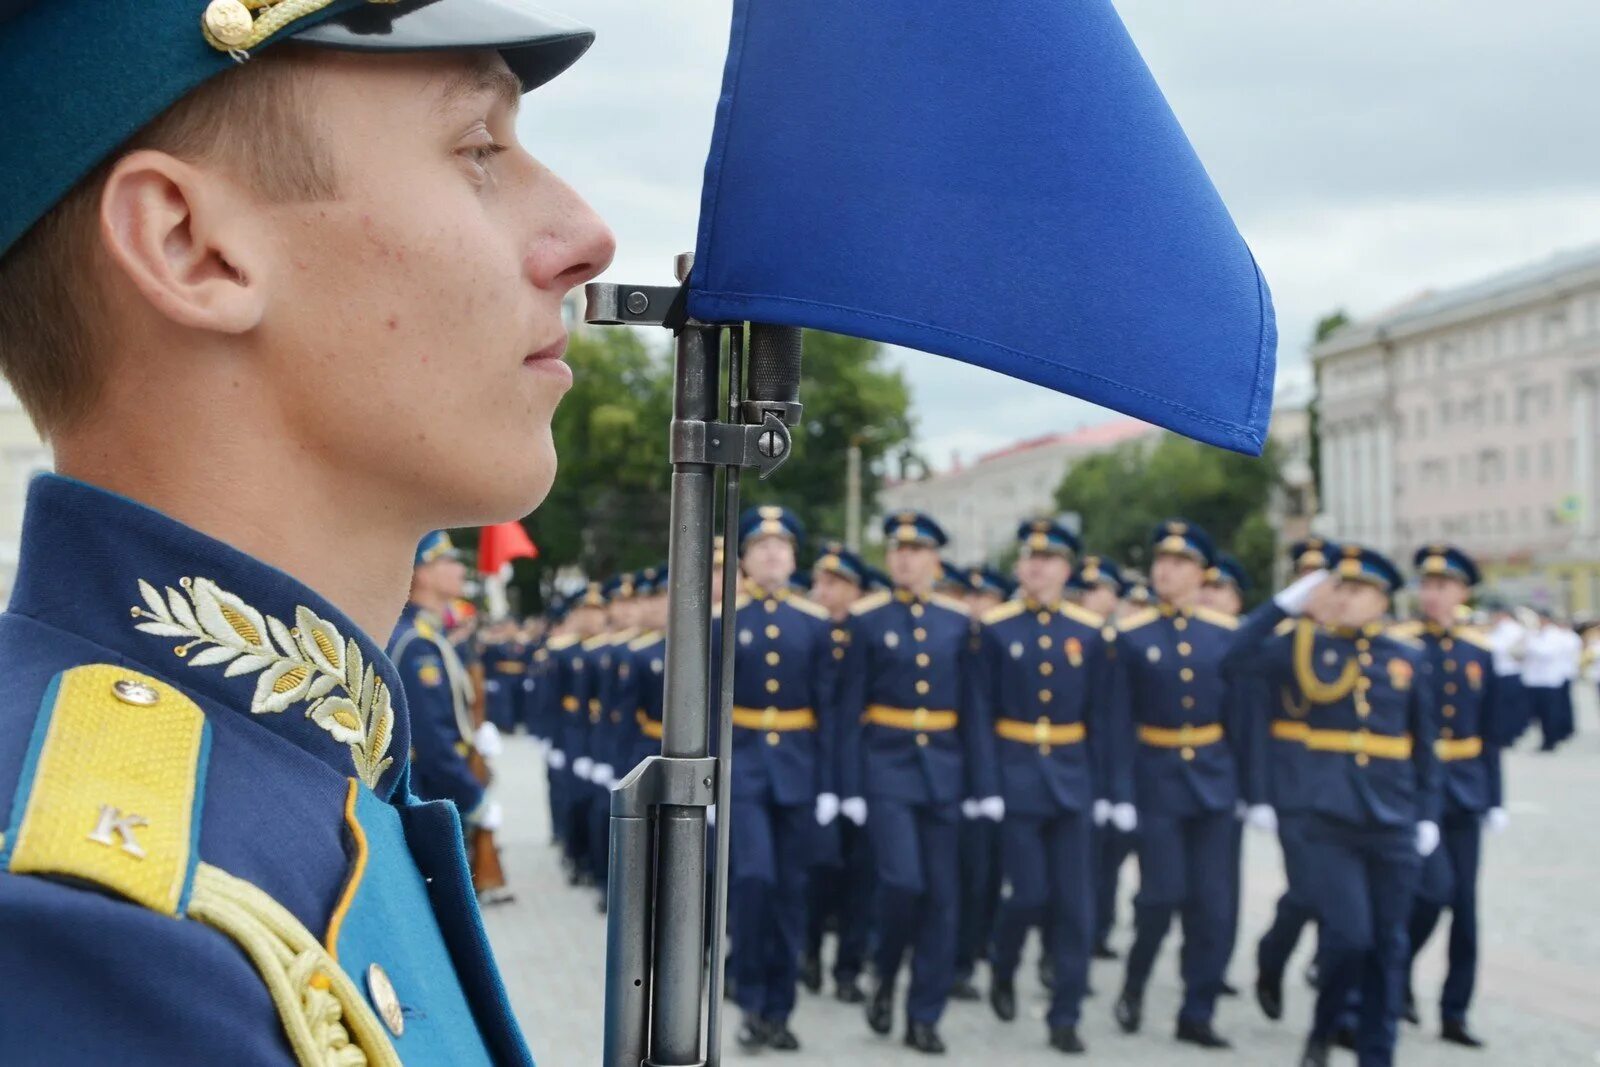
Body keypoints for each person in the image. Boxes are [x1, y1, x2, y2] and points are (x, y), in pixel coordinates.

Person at [0, 1, 614, 1059]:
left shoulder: (306, 777)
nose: (585, 237)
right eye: (477, 148)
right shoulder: (105, 923)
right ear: (192, 247)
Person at [1231, 546, 1442, 1067]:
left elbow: (1425, 745)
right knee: (1348, 938)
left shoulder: (1408, 659)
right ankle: (1324, 1027)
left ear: (1382, 600)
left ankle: (1377, 1052)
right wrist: (1286, 603)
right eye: (1339, 588)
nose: (1344, 599)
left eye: (1358, 591)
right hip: (1329, 819)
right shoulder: (1304, 648)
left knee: (1389, 947)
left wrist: (1429, 815)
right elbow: (1233, 657)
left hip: (1392, 819)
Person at [838, 511, 996, 1054]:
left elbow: (974, 711)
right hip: (887, 767)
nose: (905, 559)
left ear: (936, 560)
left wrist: (984, 784)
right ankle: (884, 972)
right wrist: (848, 785)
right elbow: (847, 710)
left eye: (917, 550)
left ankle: (924, 1014)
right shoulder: (865, 620)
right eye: (898, 550)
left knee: (944, 898)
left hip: (945, 770)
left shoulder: (959, 622)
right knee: (903, 883)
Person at [972, 519, 1112, 1055]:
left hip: (1074, 779)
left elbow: (1104, 717)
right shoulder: (996, 629)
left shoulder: (1091, 632)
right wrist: (987, 784)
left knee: (1076, 907)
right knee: (1027, 895)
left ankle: (1065, 1015)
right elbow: (981, 710)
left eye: (1049, 559)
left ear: (1066, 569)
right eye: (1029, 558)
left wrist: (1107, 791)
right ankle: (1004, 966)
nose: (1037, 567)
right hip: (1016, 775)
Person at [1108, 520, 1249, 1050]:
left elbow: (1240, 720)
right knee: (1160, 897)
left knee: (1214, 906)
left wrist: (1248, 790)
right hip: (1156, 779)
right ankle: (1136, 982)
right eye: (1161, 562)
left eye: (1180, 563)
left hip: (1214, 781)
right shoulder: (1131, 636)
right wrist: (1119, 793)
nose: (1166, 571)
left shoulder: (1224, 636)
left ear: (1200, 574)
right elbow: (1118, 723)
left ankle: (1198, 1009)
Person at [717, 506, 840, 1052]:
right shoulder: (724, 619)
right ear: (743, 560)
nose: (772, 554)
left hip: (798, 769)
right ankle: (748, 998)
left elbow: (831, 710)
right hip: (743, 766)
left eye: (782, 547)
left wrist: (834, 785)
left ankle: (779, 1010)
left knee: (792, 892)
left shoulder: (815, 623)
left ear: (794, 559)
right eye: (761, 547)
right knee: (754, 881)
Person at [1398, 546, 1505, 1048]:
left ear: (1463, 593)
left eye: (1445, 586)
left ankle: (1455, 1012)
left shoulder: (1478, 651)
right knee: (1426, 894)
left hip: (1464, 788)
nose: (1434, 594)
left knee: (1465, 906)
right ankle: (1395, 969)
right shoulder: (1402, 646)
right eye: (1428, 585)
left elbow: (1490, 733)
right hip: (1417, 787)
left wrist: (1496, 798)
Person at [1250, 538, 1341, 1024]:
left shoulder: (1357, 640)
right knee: (1307, 890)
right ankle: (1273, 954)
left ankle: (1336, 1002)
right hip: (1293, 780)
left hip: (1347, 785)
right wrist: (1260, 792)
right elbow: (1253, 705)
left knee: (1343, 898)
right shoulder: (1281, 641)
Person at [802, 541, 878, 1005]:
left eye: (836, 583)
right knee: (818, 869)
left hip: (867, 770)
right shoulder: (806, 633)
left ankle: (848, 966)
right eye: (821, 581)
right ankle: (808, 952)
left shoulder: (868, 634)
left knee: (862, 876)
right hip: (812, 768)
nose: (823, 590)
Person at [951, 563, 1014, 1002]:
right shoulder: (947, 641)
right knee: (957, 875)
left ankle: (977, 948)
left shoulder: (1000, 646)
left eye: (985, 599)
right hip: (949, 774)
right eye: (967, 597)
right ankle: (956, 962)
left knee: (987, 875)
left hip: (997, 776)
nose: (975, 607)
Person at [1070, 556, 1135, 960]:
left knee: (1109, 857)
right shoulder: (1069, 637)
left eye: (1103, 590)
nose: (1096, 598)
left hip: (1118, 757)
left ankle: (1099, 928)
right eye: (1087, 590)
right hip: (1073, 761)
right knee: (1079, 863)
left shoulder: (1120, 641)